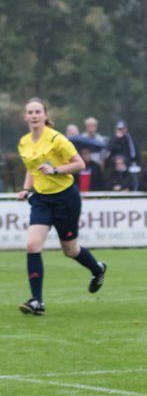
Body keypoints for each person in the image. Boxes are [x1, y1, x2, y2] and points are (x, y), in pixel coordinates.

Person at [15, 98, 108, 316]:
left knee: (70, 250)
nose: (34, 115)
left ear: (45, 115)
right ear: (25, 117)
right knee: (32, 245)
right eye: (30, 112)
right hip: (41, 200)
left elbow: (80, 164)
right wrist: (26, 189)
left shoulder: (57, 139)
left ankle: (97, 269)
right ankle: (37, 302)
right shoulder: (24, 142)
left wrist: (56, 170)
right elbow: (32, 168)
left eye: (38, 111)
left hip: (65, 199)